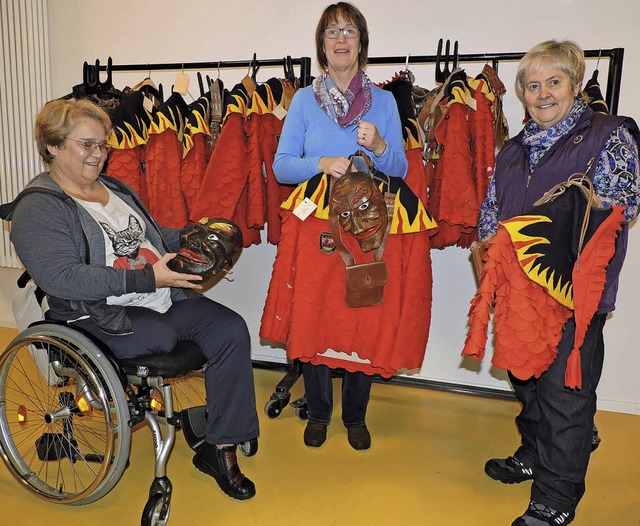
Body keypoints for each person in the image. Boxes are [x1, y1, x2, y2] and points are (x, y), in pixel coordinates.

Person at [0, 98, 260, 501]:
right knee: (158, 337)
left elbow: (151, 238)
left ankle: (220, 446)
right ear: (52, 146)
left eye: (103, 145)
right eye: (86, 145)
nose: (99, 155)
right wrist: (145, 276)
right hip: (93, 313)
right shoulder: (38, 208)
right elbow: (61, 277)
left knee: (231, 330)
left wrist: (197, 235)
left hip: (157, 293)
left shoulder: (115, 188)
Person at [476, 40, 639, 525]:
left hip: (572, 297)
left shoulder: (608, 135)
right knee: (524, 378)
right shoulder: (511, 150)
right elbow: (490, 213)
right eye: (532, 84)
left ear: (574, 83)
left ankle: (555, 500)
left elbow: (621, 207)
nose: (542, 93)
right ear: (522, 94)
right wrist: (494, 252)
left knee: (566, 397)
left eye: (554, 82)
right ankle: (533, 453)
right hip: (518, 294)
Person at [267, 2, 409, 451]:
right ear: (322, 46)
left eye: (349, 31)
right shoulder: (305, 102)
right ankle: (320, 411)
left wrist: (382, 144)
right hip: (316, 228)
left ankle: (355, 416)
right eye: (332, 33)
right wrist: (321, 162)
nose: (341, 39)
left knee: (363, 312)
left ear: (361, 42)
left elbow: (401, 167)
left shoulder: (384, 102)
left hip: (368, 225)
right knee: (314, 313)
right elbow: (281, 166)